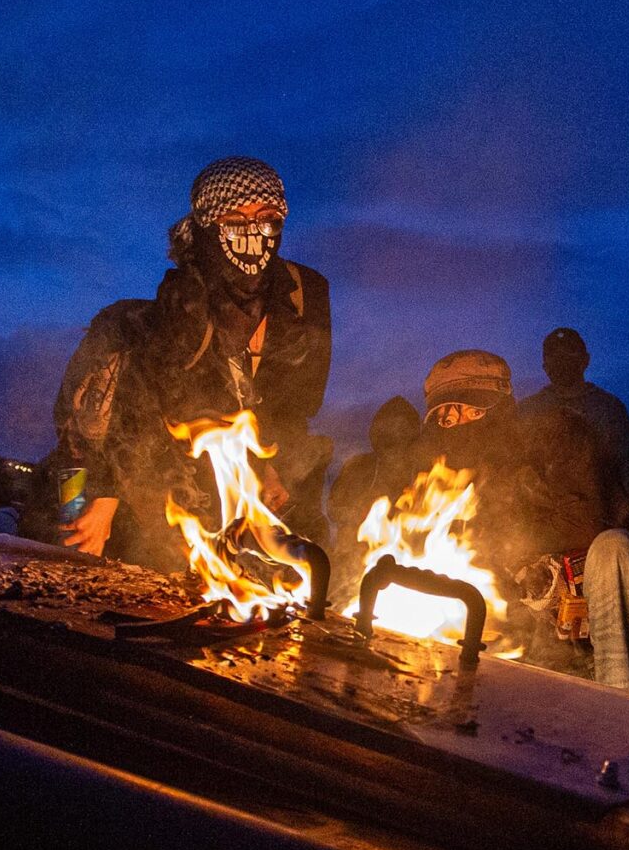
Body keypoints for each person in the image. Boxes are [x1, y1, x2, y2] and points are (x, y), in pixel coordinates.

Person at [53, 157, 332, 570]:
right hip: (141, 483)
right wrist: (105, 499)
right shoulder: (173, 311)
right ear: (206, 227)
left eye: (267, 218)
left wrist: (270, 464)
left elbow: (292, 408)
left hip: (220, 493)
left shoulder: (300, 300)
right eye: (235, 219)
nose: (253, 233)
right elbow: (131, 413)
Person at [413, 349, 629, 692]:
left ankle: (625, 714)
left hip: (609, 628)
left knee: (613, 549)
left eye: (469, 410)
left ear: (499, 404)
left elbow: (585, 522)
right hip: (528, 647)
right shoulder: (448, 485)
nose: (457, 424)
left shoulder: (554, 434)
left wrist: (506, 536)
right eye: (444, 418)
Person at [520, 327, 629, 499]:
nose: (561, 361)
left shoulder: (608, 408)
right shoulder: (527, 410)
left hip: (596, 514)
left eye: (569, 353)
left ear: (585, 360)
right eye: (553, 355)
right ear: (545, 366)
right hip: (539, 514)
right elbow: (514, 463)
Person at [326, 396, 424, 602]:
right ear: (377, 434)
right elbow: (334, 508)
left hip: (405, 566)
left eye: (403, 431)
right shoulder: (360, 466)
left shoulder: (424, 474)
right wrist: (364, 514)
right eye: (389, 431)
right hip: (353, 563)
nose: (396, 438)